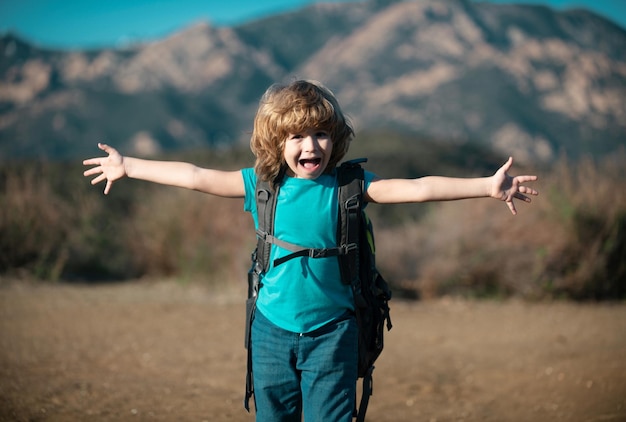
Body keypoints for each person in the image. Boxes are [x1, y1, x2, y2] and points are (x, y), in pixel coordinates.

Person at [83, 79, 538, 422]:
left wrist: (485, 186)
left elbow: (418, 189)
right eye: (297, 136)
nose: (310, 145)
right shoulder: (262, 188)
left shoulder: (350, 187)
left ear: (334, 140)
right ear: (277, 144)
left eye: (320, 133)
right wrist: (130, 166)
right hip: (270, 332)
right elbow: (196, 175)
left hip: (333, 334)